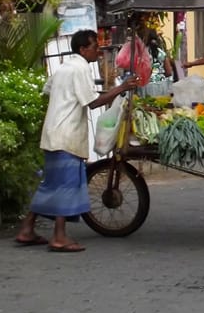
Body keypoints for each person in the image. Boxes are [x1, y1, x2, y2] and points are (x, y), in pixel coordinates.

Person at [15, 30, 140, 252]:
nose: (98, 51)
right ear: (83, 49)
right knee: (65, 186)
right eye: (95, 47)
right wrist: (121, 88)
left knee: (50, 184)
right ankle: (59, 237)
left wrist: (106, 91)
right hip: (66, 134)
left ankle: (27, 229)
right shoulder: (81, 67)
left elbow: (52, 90)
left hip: (53, 132)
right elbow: (92, 102)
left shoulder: (64, 67)